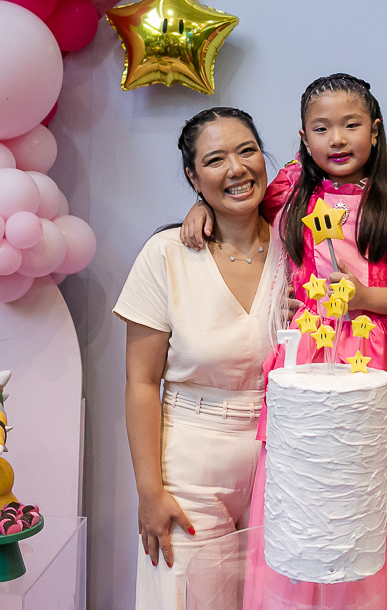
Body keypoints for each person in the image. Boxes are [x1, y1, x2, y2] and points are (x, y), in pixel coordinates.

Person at [181, 73, 387, 567]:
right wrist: (199, 206)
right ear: (303, 139)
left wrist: (365, 297)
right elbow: (237, 202)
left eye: (351, 125)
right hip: (314, 350)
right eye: (321, 128)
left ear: (375, 132)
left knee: (383, 470)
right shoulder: (291, 197)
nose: (337, 139)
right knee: (317, 478)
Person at [114, 107, 278, 610]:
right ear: (193, 177)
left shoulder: (301, 246)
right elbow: (142, 382)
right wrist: (148, 491)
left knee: (276, 599)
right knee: (186, 599)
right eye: (215, 160)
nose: (236, 169)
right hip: (190, 461)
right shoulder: (166, 254)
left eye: (247, 151)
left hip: (281, 455)